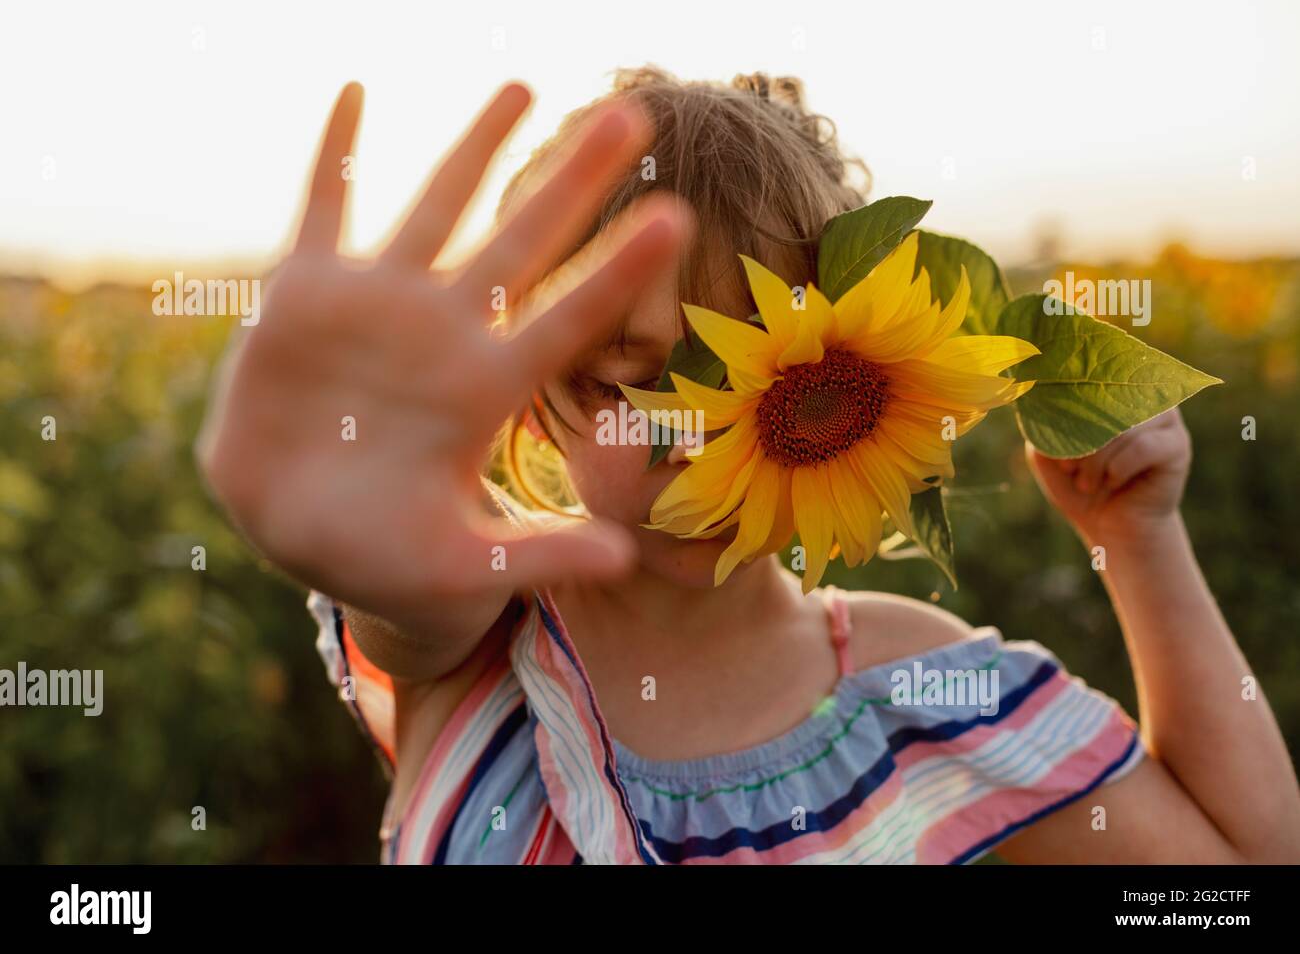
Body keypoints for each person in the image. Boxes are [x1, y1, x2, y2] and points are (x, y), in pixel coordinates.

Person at [197, 68, 1300, 864]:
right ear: (524, 406)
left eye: (763, 390)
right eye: (623, 384)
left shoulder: (917, 689)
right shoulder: (480, 629)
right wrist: (357, 496)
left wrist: (1136, 536)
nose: (691, 450)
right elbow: (407, 591)